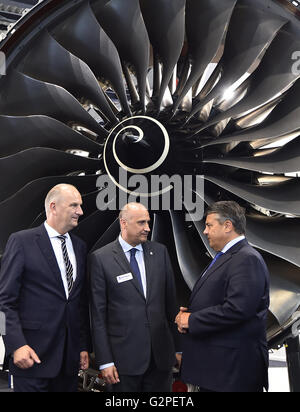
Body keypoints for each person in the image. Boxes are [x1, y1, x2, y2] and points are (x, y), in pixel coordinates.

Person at [0, 184, 91, 392]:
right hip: (31, 358)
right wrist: (15, 345)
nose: (81, 211)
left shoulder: (79, 247)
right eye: (74, 205)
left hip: (68, 363)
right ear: (53, 207)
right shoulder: (22, 241)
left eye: (80, 205)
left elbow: (78, 303)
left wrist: (83, 346)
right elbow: (3, 302)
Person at [175, 201, 270, 392]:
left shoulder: (246, 259)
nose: (205, 231)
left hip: (233, 373)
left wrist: (192, 319)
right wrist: (190, 313)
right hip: (219, 371)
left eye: (209, 225)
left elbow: (237, 310)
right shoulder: (228, 257)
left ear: (227, 226)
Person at [89, 202, 180, 392]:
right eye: (141, 223)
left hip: (160, 360)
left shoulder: (160, 252)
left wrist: (178, 348)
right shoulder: (101, 258)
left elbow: (171, 305)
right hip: (123, 362)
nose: (147, 228)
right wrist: (105, 361)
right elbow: (98, 316)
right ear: (123, 223)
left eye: (147, 222)